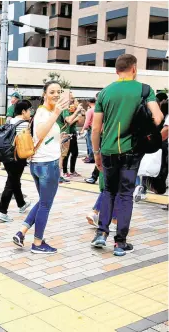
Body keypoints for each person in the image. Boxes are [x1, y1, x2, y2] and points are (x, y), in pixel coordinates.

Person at [91, 54, 163, 256]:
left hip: (107, 150)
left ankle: (101, 233)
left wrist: (96, 153)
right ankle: (120, 243)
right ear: (134, 68)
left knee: (108, 191)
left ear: (116, 71)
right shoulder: (145, 90)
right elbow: (157, 117)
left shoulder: (105, 93)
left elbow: (96, 129)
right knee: (125, 195)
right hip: (132, 150)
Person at [12, 81, 69, 254]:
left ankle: (21, 232)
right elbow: (40, 133)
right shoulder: (44, 113)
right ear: (44, 94)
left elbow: (46, 136)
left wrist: (60, 136)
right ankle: (37, 243)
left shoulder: (46, 112)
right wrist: (57, 113)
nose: (56, 95)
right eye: (52, 91)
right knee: (46, 204)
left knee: (43, 201)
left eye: (59, 91)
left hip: (39, 164)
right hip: (47, 165)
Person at [0, 100, 32, 223]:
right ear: (23, 111)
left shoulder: (9, 122)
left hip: (6, 157)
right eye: (29, 110)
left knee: (14, 179)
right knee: (11, 182)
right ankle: (2, 211)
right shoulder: (24, 124)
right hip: (18, 157)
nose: (30, 112)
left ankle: (21, 204)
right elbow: (27, 142)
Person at [61, 94, 83, 178]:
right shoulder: (65, 110)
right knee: (66, 154)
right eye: (74, 99)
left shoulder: (72, 110)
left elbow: (80, 122)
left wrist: (81, 114)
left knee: (75, 153)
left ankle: (72, 170)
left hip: (73, 134)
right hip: (66, 134)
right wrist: (76, 116)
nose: (77, 102)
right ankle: (65, 171)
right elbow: (68, 121)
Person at [81, 97, 96, 163]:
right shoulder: (98, 109)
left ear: (89, 103)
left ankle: (91, 158)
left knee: (90, 144)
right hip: (98, 129)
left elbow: (87, 122)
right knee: (96, 145)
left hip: (91, 129)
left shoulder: (90, 111)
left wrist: (82, 129)